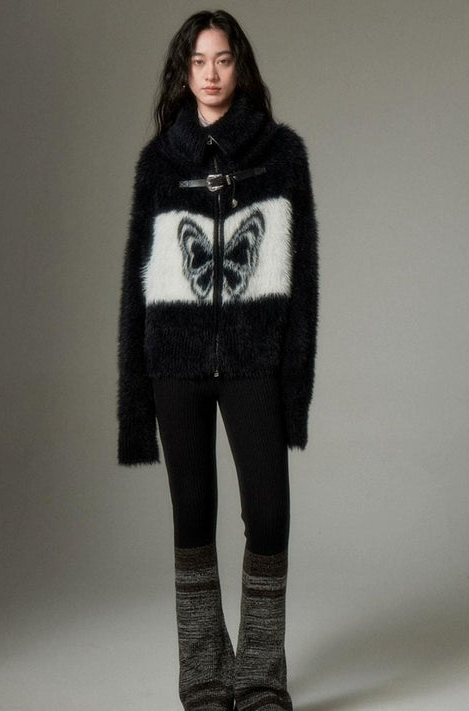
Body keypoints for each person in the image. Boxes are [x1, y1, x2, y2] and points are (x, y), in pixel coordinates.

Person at [117, 9, 319, 711]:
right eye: (198, 61)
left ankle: (259, 677)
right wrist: (134, 405)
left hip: (252, 359)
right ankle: (203, 677)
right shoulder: (159, 163)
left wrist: (294, 388)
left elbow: (303, 282)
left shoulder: (281, 155)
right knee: (192, 514)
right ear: (183, 71)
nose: (210, 73)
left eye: (222, 59)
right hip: (172, 361)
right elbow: (135, 287)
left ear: (240, 66)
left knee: (268, 513)